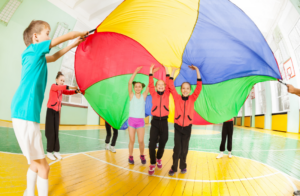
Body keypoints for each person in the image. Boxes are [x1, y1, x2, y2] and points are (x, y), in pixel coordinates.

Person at [10, 20, 88, 196]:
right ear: (36, 37)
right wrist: (77, 34)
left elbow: (54, 56)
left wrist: (76, 43)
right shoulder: (34, 50)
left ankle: (29, 193)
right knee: (44, 168)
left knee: (35, 164)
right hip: (26, 114)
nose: (49, 36)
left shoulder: (33, 55)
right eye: (47, 33)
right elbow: (59, 41)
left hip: (21, 113)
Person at [168, 65, 202, 176]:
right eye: (183, 88)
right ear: (181, 89)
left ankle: (183, 166)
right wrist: (172, 72)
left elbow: (199, 87)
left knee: (184, 149)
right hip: (178, 127)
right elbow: (170, 86)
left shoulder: (192, 98)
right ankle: (174, 167)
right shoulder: (177, 97)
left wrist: (197, 70)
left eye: (187, 88)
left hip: (187, 128)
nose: (185, 90)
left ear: (190, 90)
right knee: (177, 149)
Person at [45, 71, 81, 161]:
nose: (62, 82)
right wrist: (72, 86)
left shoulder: (61, 90)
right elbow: (62, 87)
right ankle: (49, 152)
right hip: (50, 111)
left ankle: (56, 151)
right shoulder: (53, 86)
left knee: (56, 132)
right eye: (61, 80)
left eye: (63, 81)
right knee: (50, 133)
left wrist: (76, 91)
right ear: (56, 80)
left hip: (57, 112)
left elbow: (68, 92)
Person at [127, 66, 153, 165]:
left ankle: (142, 155)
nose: (137, 88)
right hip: (132, 121)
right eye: (136, 86)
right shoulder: (131, 95)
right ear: (134, 88)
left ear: (142, 88)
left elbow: (150, 86)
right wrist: (135, 71)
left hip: (140, 121)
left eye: (139, 86)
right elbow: (129, 83)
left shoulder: (144, 96)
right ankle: (130, 156)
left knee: (141, 140)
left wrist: (151, 73)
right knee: (132, 140)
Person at [148, 64, 170, 175]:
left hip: (164, 121)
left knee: (163, 141)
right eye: (159, 85)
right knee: (152, 144)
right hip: (155, 121)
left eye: (162, 84)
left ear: (165, 86)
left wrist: (167, 71)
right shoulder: (153, 93)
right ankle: (152, 163)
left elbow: (169, 83)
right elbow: (150, 84)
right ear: (156, 87)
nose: (160, 86)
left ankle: (158, 158)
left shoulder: (167, 93)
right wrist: (150, 72)